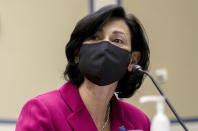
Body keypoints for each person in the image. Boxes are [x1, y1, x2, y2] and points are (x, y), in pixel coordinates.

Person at [15, 5, 150, 131]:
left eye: (117, 40)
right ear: (77, 53)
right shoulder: (42, 112)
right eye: (95, 37)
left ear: (132, 61)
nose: (105, 47)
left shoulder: (139, 122)